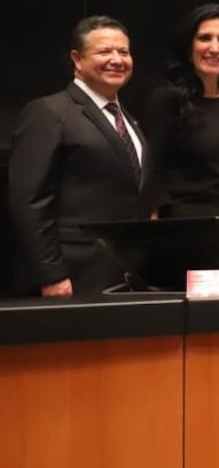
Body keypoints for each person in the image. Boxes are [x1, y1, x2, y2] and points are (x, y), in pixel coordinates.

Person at [8, 16, 150, 296]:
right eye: (104, 51)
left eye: (123, 52)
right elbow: (29, 201)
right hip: (73, 275)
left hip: (123, 274)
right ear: (77, 59)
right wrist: (51, 275)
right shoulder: (49, 111)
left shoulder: (130, 120)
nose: (116, 59)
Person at [144, 4, 219, 225]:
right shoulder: (166, 99)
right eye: (205, 38)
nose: (214, 47)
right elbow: (151, 172)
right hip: (183, 227)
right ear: (189, 47)